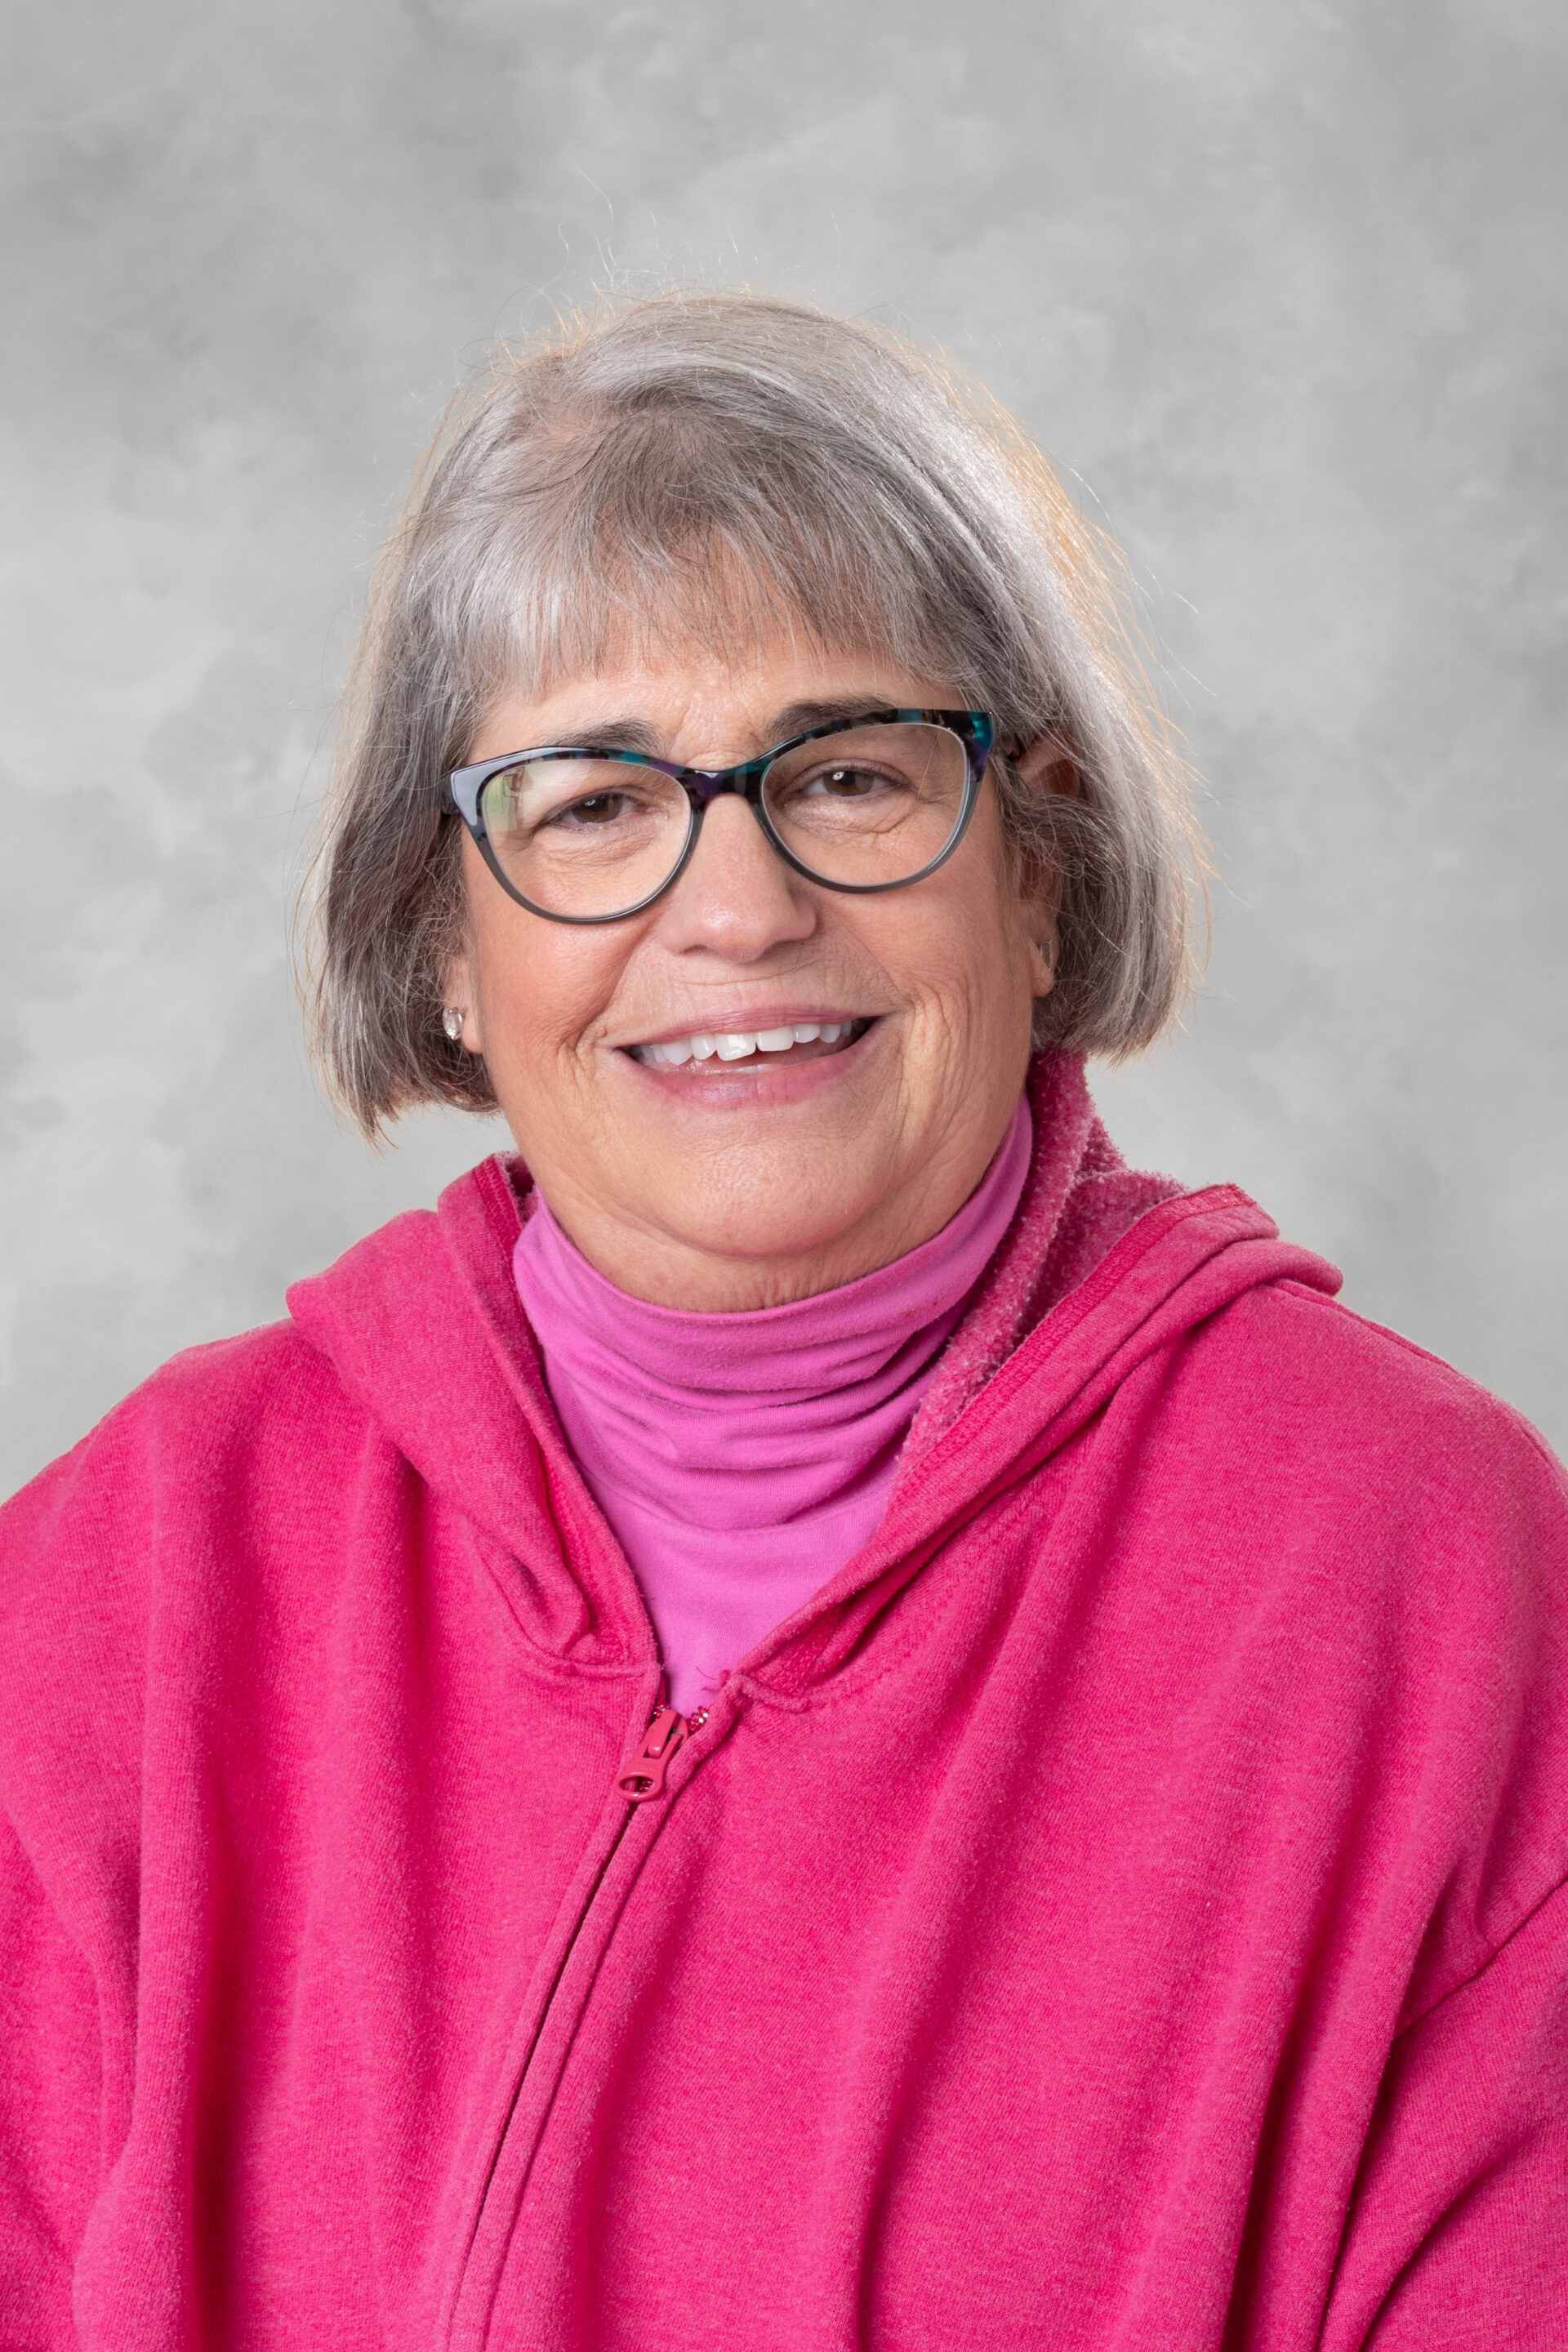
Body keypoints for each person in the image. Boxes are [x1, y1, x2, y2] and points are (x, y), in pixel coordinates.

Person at [2, 291, 1566, 2351]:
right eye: (592, 803)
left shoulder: (1430, 1580)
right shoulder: (128, 1573)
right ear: (442, 943)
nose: (737, 910)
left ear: (1036, 873)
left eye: (845, 776)